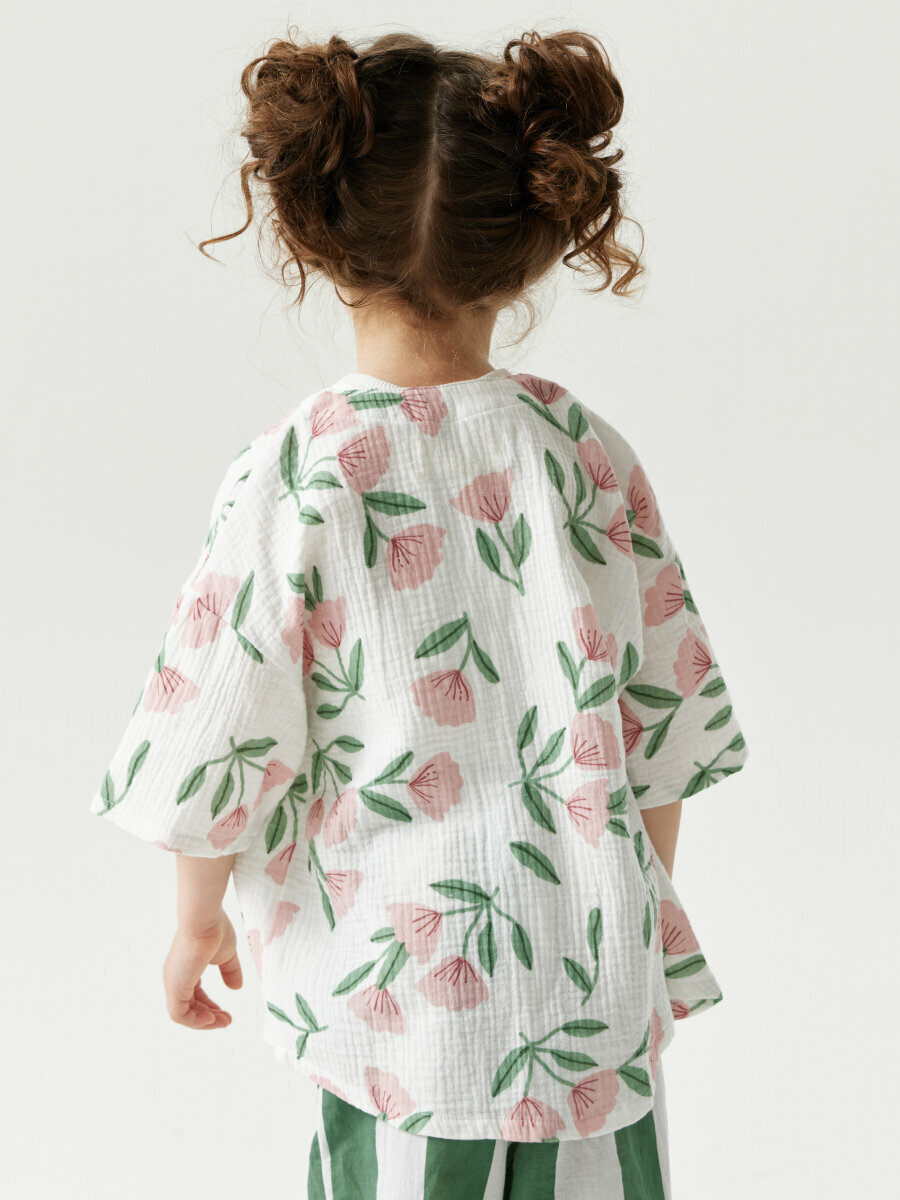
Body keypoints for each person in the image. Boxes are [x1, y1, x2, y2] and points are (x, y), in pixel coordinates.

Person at [90, 27, 750, 1200]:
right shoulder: (585, 452)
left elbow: (219, 724)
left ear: (314, 237)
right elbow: (662, 723)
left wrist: (196, 919)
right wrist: (630, 908)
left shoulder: (304, 471)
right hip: (591, 987)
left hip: (403, 996)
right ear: (529, 247)